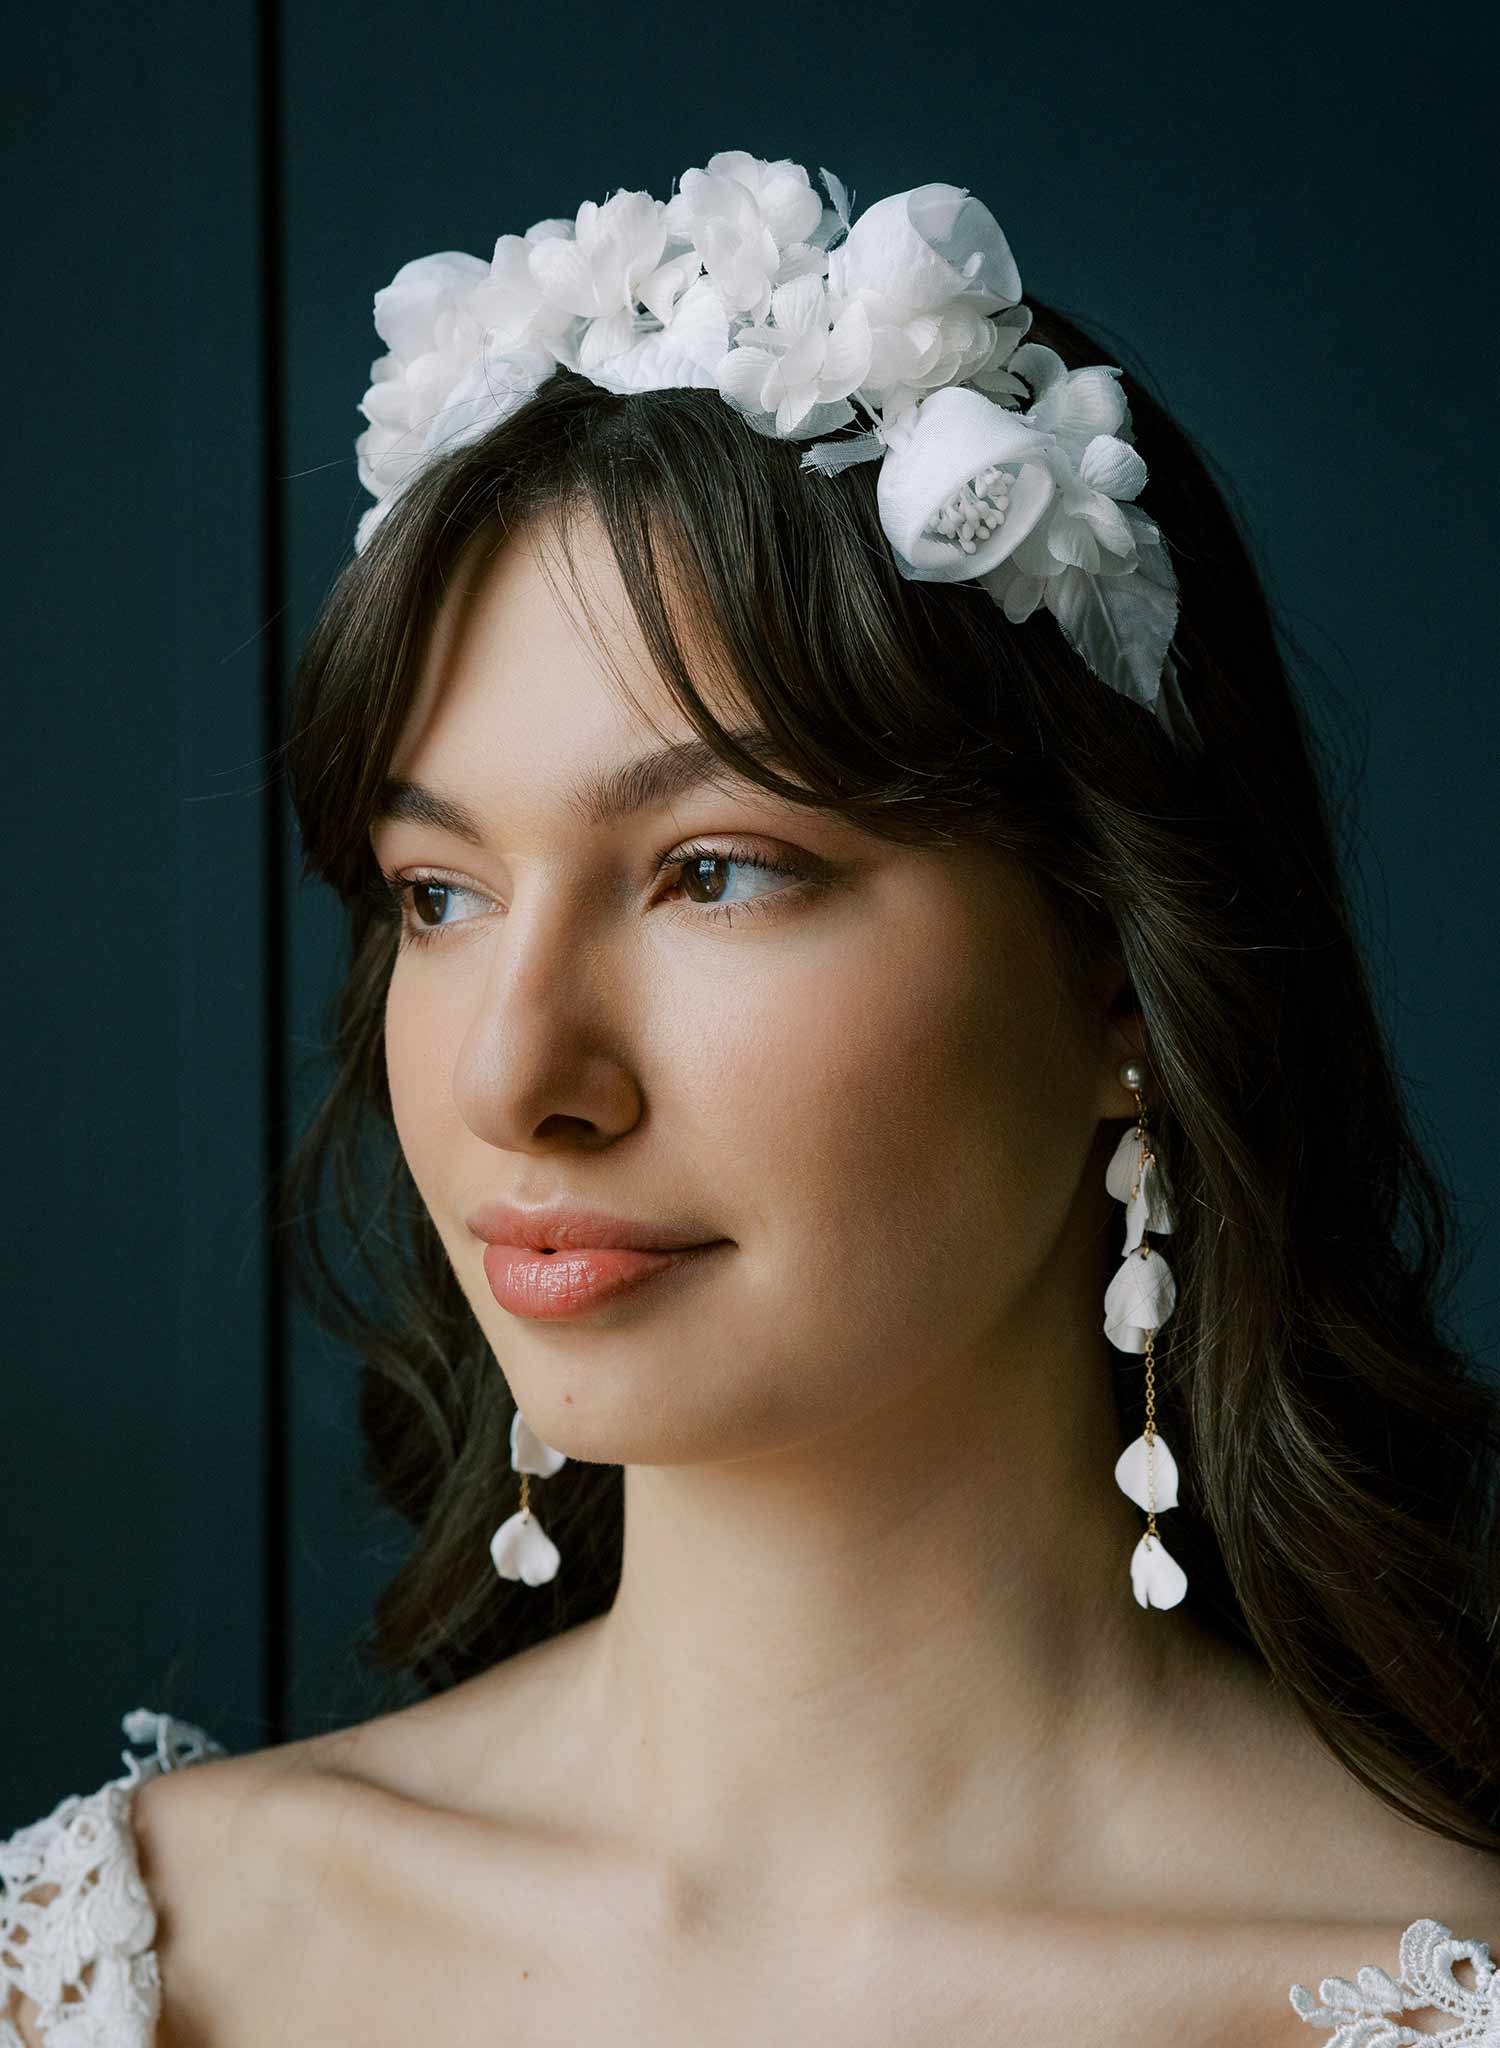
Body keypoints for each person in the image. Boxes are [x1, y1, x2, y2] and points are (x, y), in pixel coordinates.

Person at [4, 151, 1498, 2045]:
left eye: (714, 870)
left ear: (1122, 965)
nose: (511, 1075)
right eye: (440, 897)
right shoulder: (125, 1966)